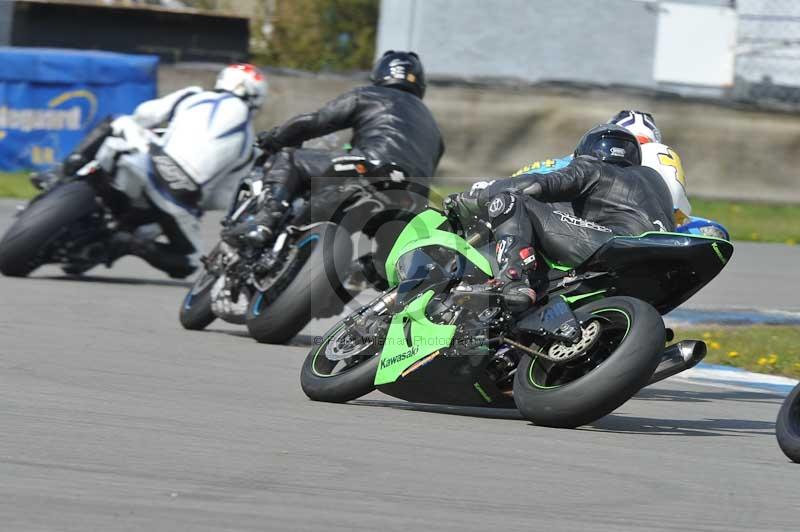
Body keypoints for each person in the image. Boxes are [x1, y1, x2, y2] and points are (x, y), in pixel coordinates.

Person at [63, 63, 268, 278]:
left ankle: (64, 171)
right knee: (190, 260)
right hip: (181, 197)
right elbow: (222, 197)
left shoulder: (194, 95)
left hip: (156, 162)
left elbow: (143, 114)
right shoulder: (249, 144)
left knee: (118, 122)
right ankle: (130, 243)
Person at [445, 123, 675, 307]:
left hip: (617, 242)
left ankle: (513, 278)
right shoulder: (655, 180)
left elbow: (534, 185)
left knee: (512, 198)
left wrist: (470, 199)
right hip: (659, 257)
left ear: (588, 151)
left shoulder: (592, 167)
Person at [245, 50, 444, 241]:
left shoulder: (369, 95)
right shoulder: (434, 128)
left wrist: (275, 139)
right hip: (409, 198)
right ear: (420, 83)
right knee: (384, 263)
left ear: (379, 74)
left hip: (368, 168)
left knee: (290, 158)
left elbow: (314, 121)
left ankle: (265, 220)